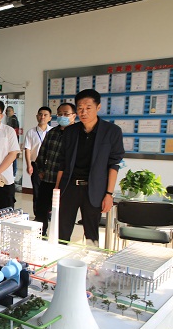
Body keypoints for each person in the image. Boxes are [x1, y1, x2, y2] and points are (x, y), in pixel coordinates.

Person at [55, 89, 124, 245]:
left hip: (94, 189)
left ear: (98, 107)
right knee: (62, 230)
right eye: (80, 108)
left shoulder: (112, 131)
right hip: (69, 187)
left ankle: (92, 259)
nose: (83, 112)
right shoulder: (70, 131)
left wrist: (109, 194)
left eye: (88, 108)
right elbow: (62, 162)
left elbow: (114, 164)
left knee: (91, 233)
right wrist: (57, 190)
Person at [35, 103, 76, 235]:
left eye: (66, 114)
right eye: (59, 114)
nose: (62, 116)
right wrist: (41, 170)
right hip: (48, 178)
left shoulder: (77, 134)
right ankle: (40, 235)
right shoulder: (52, 132)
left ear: (74, 116)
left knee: (63, 214)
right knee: (41, 210)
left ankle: (60, 239)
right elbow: (42, 153)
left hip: (66, 183)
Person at [24, 106, 53, 217]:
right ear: (37, 116)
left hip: (50, 166)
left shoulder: (53, 132)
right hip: (36, 164)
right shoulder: (31, 132)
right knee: (37, 190)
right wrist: (28, 165)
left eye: (45, 115)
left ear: (50, 118)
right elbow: (27, 149)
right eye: (40, 114)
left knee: (49, 190)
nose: (42, 117)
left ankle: (48, 212)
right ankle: (38, 214)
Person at [6, 106, 20, 176]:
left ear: (13, 112)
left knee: (13, 157)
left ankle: (13, 173)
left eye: (9, 111)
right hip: (10, 142)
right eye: (7, 111)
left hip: (12, 142)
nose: (7, 112)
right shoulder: (9, 119)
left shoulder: (13, 120)